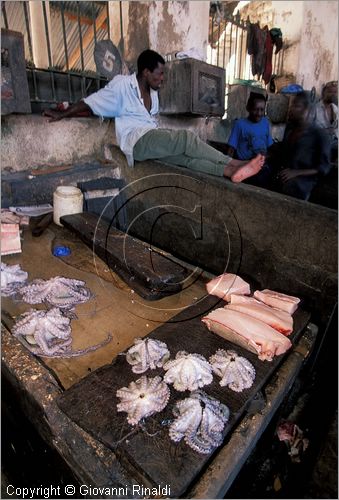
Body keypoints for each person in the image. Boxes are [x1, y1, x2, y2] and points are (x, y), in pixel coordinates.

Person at [43, 49, 264, 183]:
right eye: (159, 74)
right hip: (136, 141)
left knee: (187, 160)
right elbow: (92, 102)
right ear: (146, 72)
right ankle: (234, 162)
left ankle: (230, 172)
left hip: (151, 139)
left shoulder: (154, 95)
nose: (162, 79)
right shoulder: (123, 86)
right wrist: (62, 114)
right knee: (185, 139)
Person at [272, 91, 331, 200]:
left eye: (296, 106)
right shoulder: (290, 128)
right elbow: (283, 152)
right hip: (286, 173)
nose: (291, 109)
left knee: (291, 187)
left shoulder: (320, 135)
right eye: (292, 105)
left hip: (305, 179)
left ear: (307, 110)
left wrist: (296, 172)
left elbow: (324, 167)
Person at [225, 92, 274, 187]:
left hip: (261, 165)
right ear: (248, 108)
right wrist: (227, 165)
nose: (259, 113)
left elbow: (269, 146)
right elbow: (231, 149)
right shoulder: (239, 124)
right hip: (244, 164)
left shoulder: (266, 123)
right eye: (255, 109)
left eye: (261, 110)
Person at [307, 81, 338, 161]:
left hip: (334, 141)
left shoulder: (336, 109)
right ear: (324, 93)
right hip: (320, 141)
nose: (333, 94)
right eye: (330, 92)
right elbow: (308, 129)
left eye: (335, 92)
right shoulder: (315, 108)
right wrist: (324, 131)